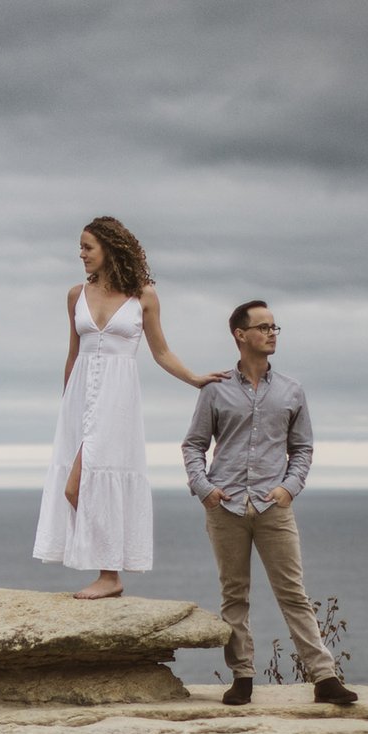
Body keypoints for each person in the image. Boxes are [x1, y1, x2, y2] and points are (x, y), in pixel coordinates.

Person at [181, 300, 359, 707]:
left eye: (275, 326)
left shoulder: (291, 390)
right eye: (263, 327)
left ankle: (324, 677)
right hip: (224, 506)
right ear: (240, 335)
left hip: (273, 506)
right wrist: (204, 487)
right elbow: (194, 444)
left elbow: (302, 448)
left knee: (293, 593)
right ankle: (242, 677)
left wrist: (288, 488)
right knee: (234, 594)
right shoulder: (215, 388)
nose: (272, 333)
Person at [33, 216, 223, 598]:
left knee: (83, 485)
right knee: (76, 486)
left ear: (109, 248)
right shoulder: (75, 296)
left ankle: (111, 575)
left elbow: (161, 351)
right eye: (80, 247)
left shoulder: (144, 297)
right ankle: (108, 572)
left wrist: (195, 379)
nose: (81, 254)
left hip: (117, 402)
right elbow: (73, 355)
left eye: (88, 247)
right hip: (79, 401)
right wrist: (66, 405)